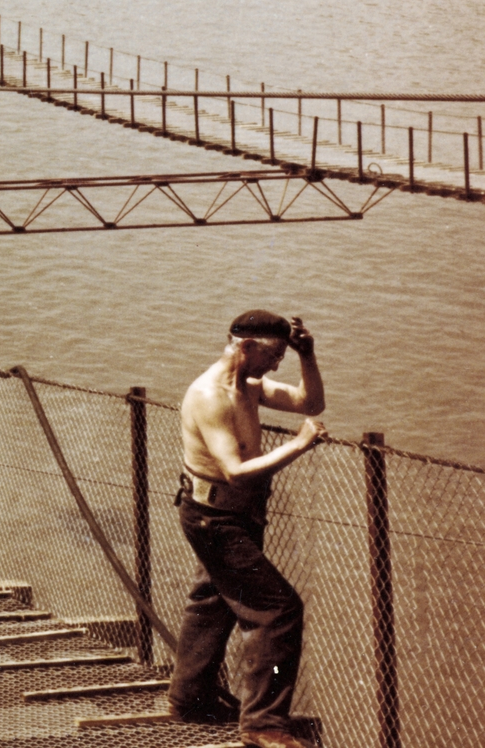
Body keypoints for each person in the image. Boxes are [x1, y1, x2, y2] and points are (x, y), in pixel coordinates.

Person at [166, 309, 326, 748]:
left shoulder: (249, 386)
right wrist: (299, 444)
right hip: (214, 518)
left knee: (213, 601)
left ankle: (189, 700)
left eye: (283, 355)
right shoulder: (210, 395)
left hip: (236, 515)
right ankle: (263, 724)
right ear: (246, 346)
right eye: (273, 354)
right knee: (278, 611)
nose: (277, 363)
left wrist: (307, 355)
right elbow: (235, 472)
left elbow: (310, 404)